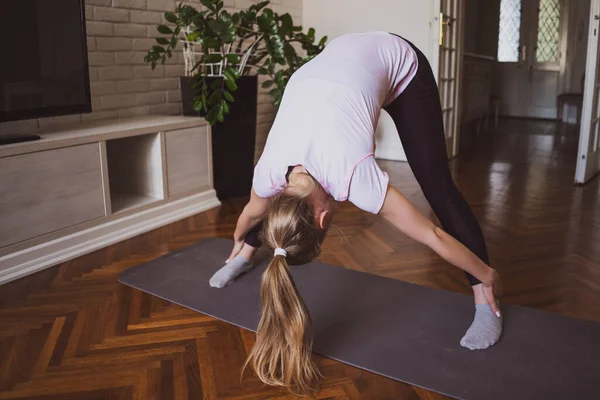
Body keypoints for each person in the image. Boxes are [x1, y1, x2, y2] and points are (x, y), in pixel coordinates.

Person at [209, 31, 502, 396]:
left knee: (439, 190)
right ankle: (245, 256)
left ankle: (483, 300)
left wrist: (486, 274)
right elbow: (252, 214)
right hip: (341, 59)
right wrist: (240, 245)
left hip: (399, 63)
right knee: (272, 205)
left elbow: (433, 234)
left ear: (323, 220)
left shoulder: (353, 174)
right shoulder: (269, 172)